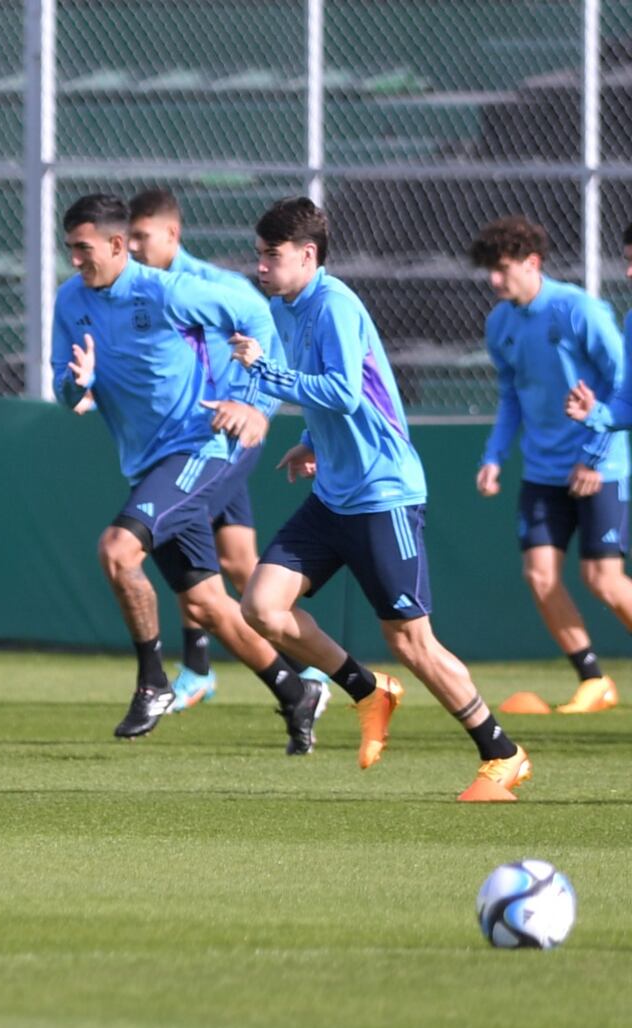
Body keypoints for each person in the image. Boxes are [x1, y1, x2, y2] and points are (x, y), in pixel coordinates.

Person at [234, 196, 531, 801]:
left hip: (382, 491)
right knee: (262, 608)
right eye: (260, 254)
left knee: (412, 641)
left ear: (308, 256)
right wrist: (309, 440)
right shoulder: (285, 306)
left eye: (273, 255)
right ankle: (369, 691)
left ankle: (502, 751)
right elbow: (332, 399)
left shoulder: (336, 304)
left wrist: (266, 373)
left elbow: (343, 391)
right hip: (334, 493)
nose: (261, 266)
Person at [52, 193, 325, 753]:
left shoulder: (164, 289)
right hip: (150, 461)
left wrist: (254, 402)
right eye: (69, 249)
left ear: (116, 245)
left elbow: (255, 317)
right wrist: (75, 384)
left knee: (117, 550)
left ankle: (153, 680)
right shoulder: (68, 300)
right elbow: (64, 389)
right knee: (207, 604)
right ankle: (295, 692)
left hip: (204, 445)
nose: (76, 259)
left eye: (83, 249)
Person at [127, 188, 333, 713]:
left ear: (172, 233)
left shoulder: (213, 287)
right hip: (190, 438)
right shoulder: (138, 290)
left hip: (219, 440)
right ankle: (212, 670)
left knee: (213, 556)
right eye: (125, 236)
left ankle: (305, 668)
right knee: (238, 562)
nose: (131, 246)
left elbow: (269, 345)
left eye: (141, 236)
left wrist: (258, 409)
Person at [472, 215, 629, 716]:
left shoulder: (578, 309)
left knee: (603, 579)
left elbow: (620, 385)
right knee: (540, 576)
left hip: (599, 466)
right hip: (542, 471)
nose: (495, 281)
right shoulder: (500, 324)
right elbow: (510, 396)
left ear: (532, 263)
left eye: (502, 269)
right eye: (489, 272)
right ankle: (593, 681)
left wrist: (594, 455)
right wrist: (495, 455)